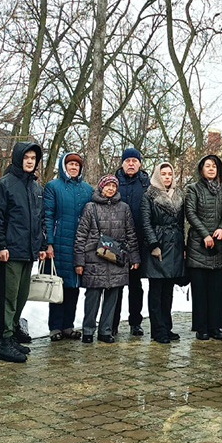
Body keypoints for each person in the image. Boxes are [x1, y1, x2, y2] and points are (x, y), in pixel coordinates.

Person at [0, 142, 50, 363]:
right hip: (10, 251)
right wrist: (0, 245)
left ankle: (11, 335)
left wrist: (41, 246)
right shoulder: (4, 185)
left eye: (33, 158)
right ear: (18, 158)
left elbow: (40, 220)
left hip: (28, 251)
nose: (30, 161)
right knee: (7, 297)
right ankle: (3, 340)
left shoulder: (36, 188)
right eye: (26, 157)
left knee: (20, 297)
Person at [75, 175, 140, 344]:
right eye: (107, 185)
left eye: (113, 186)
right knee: (92, 297)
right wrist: (79, 261)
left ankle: (106, 330)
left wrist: (134, 257)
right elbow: (81, 235)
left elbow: (131, 234)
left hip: (117, 259)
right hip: (94, 259)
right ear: (101, 187)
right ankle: (88, 330)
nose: (110, 189)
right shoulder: (90, 207)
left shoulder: (124, 208)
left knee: (112, 298)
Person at [44, 152, 93, 341]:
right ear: (64, 166)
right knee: (58, 285)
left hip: (79, 244)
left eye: (77, 165)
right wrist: (49, 242)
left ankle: (68, 325)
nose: (74, 167)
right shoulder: (53, 187)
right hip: (59, 243)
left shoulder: (87, 189)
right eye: (70, 164)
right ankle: (55, 327)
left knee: (74, 286)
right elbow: (48, 215)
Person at [185, 154, 222, 341]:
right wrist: (205, 234)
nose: (211, 169)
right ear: (201, 169)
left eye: (214, 166)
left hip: (218, 246)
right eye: (207, 166)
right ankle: (201, 327)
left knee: (217, 290)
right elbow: (190, 213)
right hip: (198, 245)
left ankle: (215, 326)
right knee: (200, 289)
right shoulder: (193, 189)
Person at [140, 162, 186, 344]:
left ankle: (167, 327)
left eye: (169, 174)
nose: (167, 177)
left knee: (168, 291)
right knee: (156, 290)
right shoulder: (149, 195)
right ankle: (157, 330)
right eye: (163, 174)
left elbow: (181, 223)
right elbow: (146, 222)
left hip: (174, 245)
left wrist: (183, 246)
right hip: (158, 244)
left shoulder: (178, 195)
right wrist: (153, 244)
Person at [113, 147, 149, 336]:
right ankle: (112, 323)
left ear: (140, 164)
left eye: (134, 161)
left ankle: (135, 322)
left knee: (136, 285)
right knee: (116, 285)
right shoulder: (113, 182)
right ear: (122, 163)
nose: (131, 164)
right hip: (116, 241)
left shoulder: (146, 184)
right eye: (128, 161)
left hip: (139, 241)